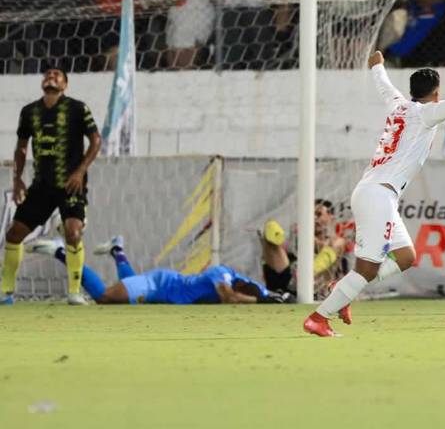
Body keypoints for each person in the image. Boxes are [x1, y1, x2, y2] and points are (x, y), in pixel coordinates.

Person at [303, 50, 445, 336]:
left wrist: (377, 67)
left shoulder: (398, 105)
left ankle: (344, 290)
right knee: (367, 269)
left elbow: (385, 86)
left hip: (376, 193)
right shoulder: (427, 114)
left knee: (406, 257)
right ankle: (319, 318)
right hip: (378, 196)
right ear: (436, 94)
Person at [1, 67, 102, 305]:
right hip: (41, 187)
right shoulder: (29, 112)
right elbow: (22, 147)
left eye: (57, 75)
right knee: (14, 235)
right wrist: (17, 179)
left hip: (70, 185)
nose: (51, 77)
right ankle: (6, 292)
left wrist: (80, 172)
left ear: (65, 85)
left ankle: (75, 292)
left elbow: (96, 140)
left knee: (73, 233)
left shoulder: (78, 108)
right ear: (42, 83)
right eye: (47, 74)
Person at [24, 236, 276, 304]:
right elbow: (229, 297)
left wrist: (270, 299)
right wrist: (252, 301)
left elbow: (264, 295)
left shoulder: (245, 283)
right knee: (104, 297)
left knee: (131, 282)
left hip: (162, 285)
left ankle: (117, 250)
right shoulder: (220, 274)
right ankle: (59, 251)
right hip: (160, 285)